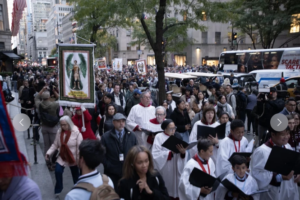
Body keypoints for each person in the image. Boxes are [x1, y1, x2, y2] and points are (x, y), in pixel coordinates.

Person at [250, 126, 298, 200]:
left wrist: (297, 174)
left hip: (288, 189)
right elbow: (256, 173)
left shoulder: (287, 146)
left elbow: (293, 165)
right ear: (273, 134)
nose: (286, 137)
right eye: (283, 135)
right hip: (271, 191)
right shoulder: (262, 151)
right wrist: (277, 177)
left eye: (288, 133)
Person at [46, 116, 83, 197]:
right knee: (57, 171)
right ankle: (58, 189)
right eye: (61, 125)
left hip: (73, 157)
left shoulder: (76, 132)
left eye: (64, 125)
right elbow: (55, 144)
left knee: (76, 176)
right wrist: (48, 153)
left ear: (69, 124)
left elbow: (79, 148)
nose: (62, 126)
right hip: (62, 156)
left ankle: (78, 191)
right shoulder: (59, 132)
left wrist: (79, 160)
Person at [151, 119, 188, 200]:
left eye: (174, 128)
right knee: (167, 187)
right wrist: (170, 153)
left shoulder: (177, 136)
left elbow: (183, 153)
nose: (173, 130)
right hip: (166, 167)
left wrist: (182, 153)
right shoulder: (159, 137)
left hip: (177, 166)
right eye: (171, 128)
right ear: (165, 129)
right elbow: (155, 154)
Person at [101, 113, 137, 191]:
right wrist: (108, 165)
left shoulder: (132, 136)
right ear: (113, 123)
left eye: (123, 121)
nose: (121, 123)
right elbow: (101, 154)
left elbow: (136, 152)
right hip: (112, 172)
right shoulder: (106, 137)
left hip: (128, 171)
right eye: (118, 121)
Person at [35, 89, 60, 169]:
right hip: (53, 127)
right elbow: (61, 99)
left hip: (44, 126)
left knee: (47, 145)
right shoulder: (54, 105)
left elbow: (36, 97)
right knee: (54, 145)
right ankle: (53, 161)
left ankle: (47, 161)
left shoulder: (39, 104)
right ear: (49, 97)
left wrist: (42, 89)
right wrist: (55, 91)